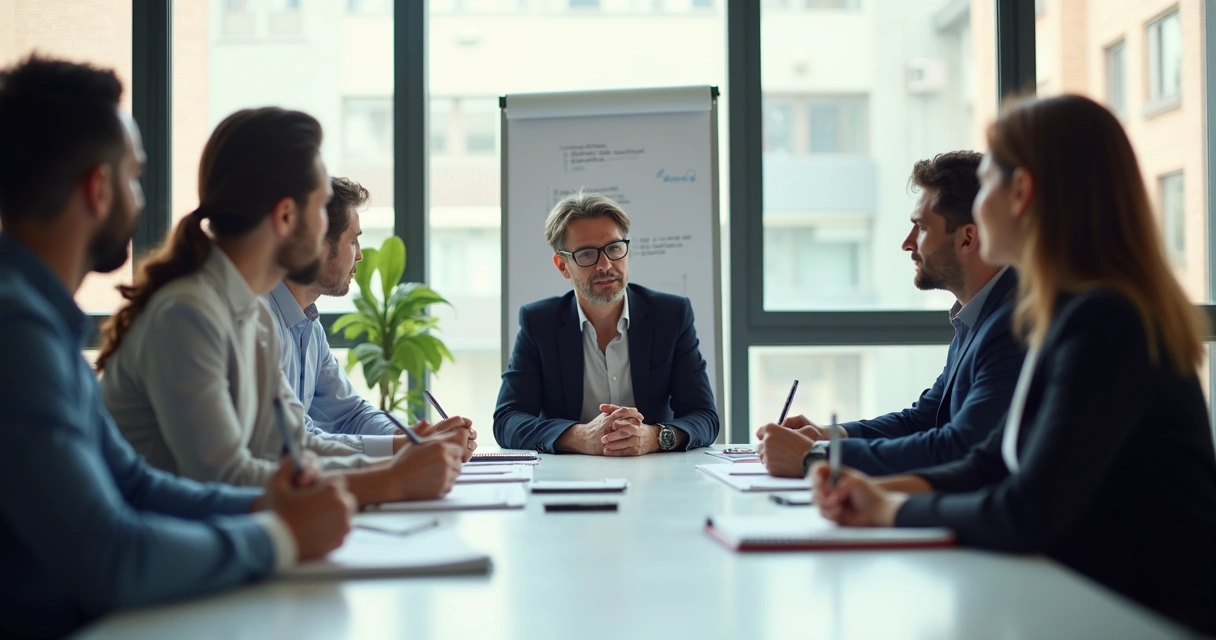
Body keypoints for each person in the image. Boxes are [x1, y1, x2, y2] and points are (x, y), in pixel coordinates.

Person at [811, 94, 1216, 634]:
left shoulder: (1105, 322)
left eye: (988, 185)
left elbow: (1024, 512)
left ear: (1021, 192)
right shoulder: (1068, 311)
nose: (978, 208)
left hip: (1146, 619)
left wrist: (887, 510)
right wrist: (878, 493)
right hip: (1094, 602)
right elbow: (991, 462)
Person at [0, 56, 355, 639]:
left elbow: (135, 485)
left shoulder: (38, 322)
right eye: (134, 177)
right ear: (98, 189)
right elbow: (109, 555)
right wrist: (279, 535)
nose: (141, 200)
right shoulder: (17, 335)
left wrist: (266, 508)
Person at [97, 106, 463, 505]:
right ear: (286, 216)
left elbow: (295, 444)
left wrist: (401, 461)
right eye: (320, 208)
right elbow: (225, 477)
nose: (327, 227)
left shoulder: (253, 316)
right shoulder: (188, 315)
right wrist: (391, 480)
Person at [756, 152, 1023, 477]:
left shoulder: (1011, 326)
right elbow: (922, 420)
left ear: (967, 238)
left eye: (921, 228)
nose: (907, 243)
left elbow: (958, 446)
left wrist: (818, 457)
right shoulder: (976, 317)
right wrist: (827, 436)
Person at [265, 176, 477, 461]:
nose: (360, 255)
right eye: (353, 240)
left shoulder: (310, 327)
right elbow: (293, 441)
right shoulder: (260, 322)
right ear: (319, 245)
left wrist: (415, 437)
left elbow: (350, 414)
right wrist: (404, 447)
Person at [493, 191, 719, 455]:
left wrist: (653, 437)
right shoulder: (539, 323)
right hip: (568, 473)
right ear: (562, 265)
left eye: (614, 248)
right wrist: (580, 436)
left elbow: (704, 416)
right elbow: (508, 420)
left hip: (654, 470)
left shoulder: (671, 315)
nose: (605, 265)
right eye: (587, 254)